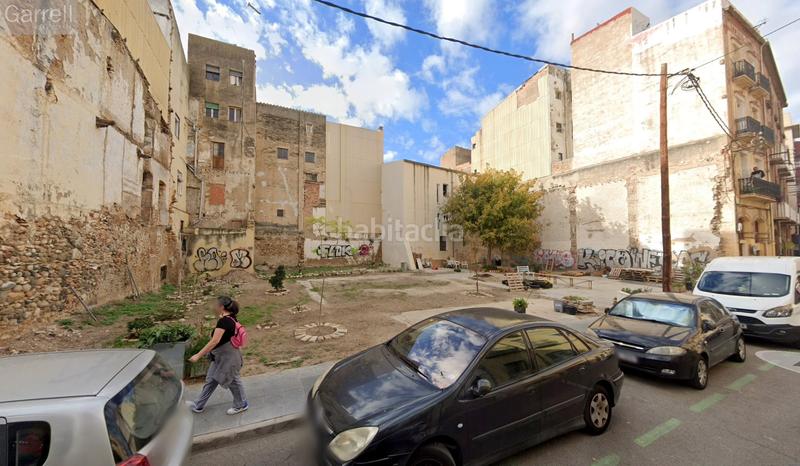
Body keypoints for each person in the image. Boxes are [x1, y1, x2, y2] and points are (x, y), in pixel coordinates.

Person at [189, 296, 248, 415]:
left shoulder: (224, 321)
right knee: (210, 380)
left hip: (228, 359)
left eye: (216, 305)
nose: (214, 308)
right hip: (220, 358)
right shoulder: (231, 319)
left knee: (233, 381)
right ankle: (199, 405)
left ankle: (241, 404)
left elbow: (214, 341)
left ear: (221, 307)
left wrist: (198, 355)